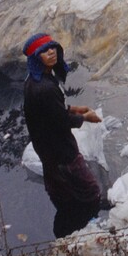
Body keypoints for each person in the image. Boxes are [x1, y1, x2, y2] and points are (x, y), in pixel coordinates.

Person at [21, 32, 108, 239]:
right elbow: (61, 121)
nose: (51, 52)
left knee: (62, 192)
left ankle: (63, 231)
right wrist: (86, 117)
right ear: (36, 57)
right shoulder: (44, 88)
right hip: (62, 152)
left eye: (53, 48)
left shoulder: (36, 81)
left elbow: (53, 111)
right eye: (44, 51)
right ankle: (89, 224)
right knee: (90, 191)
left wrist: (77, 108)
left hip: (47, 151)